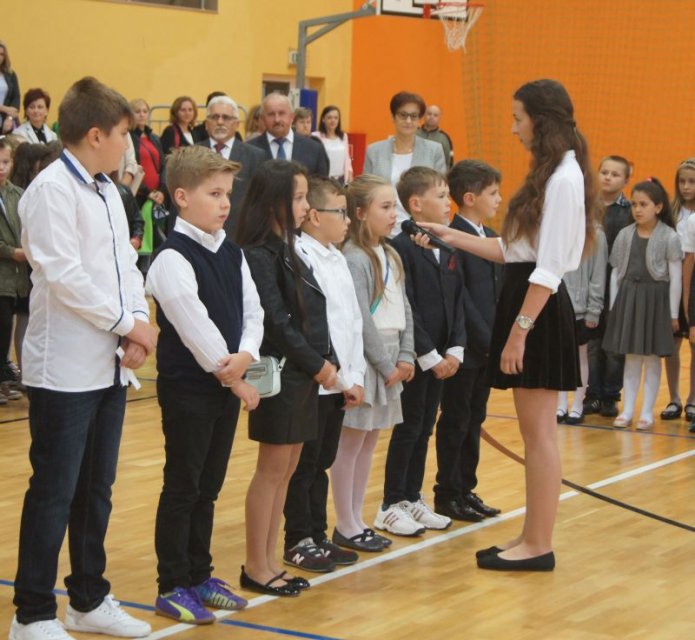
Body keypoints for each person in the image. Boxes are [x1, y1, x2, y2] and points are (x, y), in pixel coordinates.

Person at [414, 79, 596, 572]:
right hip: (528, 304)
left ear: (541, 119)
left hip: (537, 311)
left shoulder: (564, 178)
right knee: (535, 436)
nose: (514, 128)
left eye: (518, 118)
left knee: (539, 437)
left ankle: (538, 545)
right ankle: (531, 535)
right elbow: (512, 250)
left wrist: (519, 332)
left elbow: (548, 268)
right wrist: (450, 234)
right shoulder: (551, 173)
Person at [10, 76, 156, 640]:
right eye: (122, 134)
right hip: (64, 369)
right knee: (55, 490)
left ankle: (88, 599)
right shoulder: (51, 190)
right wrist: (128, 324)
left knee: (97, 489)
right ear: (95, 135)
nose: (127, 145)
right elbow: (63, 276)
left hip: (109, 364)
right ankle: (31, 613)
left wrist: (137, 322)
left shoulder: (108, 191)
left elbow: (126, 266)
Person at [146, 146, 263, 623]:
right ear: (181, 196)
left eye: (227, 194)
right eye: (214, 194)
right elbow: (196, 328)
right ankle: (172, 583)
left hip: (224, 384)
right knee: (184, 484)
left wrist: (247, 355)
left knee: (208, 487)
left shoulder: (231, 251)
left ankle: (199, 575)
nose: (225, 203)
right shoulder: (171, 258)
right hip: (190, 390)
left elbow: (253, 311)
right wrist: (235, 378)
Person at [236, 160, 337, 597]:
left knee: (288, 469)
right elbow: (276, 322)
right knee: (272, 470)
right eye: (296, 198)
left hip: (302, 374)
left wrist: (324, 361)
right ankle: (255, 565)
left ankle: (270, 560)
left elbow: (311, 312)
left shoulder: (287, 247)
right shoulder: (258, 252)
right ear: (272, 200)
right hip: (280, 373)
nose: (304, 206)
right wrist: (317, 364)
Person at [282, 176, 366, 573]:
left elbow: (352, 322)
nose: (348, 221)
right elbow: (312, 325)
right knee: (304, 464)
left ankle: (317, 534)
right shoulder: (299, 257)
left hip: (339, 381)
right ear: (314, 216)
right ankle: (297, 538)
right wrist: (327, 372)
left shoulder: (338, 258)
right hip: (314, 380)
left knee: (322, 461)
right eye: (341, 213)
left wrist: (354, 376)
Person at [375, 166, 463, 536]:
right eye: (440, 196)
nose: (448, 203)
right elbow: (408, 306)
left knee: (425, 427)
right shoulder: (401, 248)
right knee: (408, 428)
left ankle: (412, 496)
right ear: (416, 204)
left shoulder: (446, 244)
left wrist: (456, 348)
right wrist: (428, 355)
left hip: (443, 355)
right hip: (418, 356)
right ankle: (391, 502)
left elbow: (457, 299)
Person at [331, 174, 415, 552]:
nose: (394, 214)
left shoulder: (390, 253)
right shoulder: (354, 257)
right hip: (368, 361)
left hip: (391, 357)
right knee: (350, 445)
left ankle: (358, 518)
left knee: (369, 444)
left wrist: (406, 354)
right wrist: (384, 364)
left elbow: (405, 308)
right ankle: (345, 523)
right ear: (361, 212)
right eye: (386, 207)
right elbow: (361, 318)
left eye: (395, 206)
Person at [433, 160, 503, 523]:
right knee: (456, 419)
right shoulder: (453, 237)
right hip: (466, 347)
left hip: (487, 346)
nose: (499, 199)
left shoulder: (489, 234)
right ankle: (447, 493)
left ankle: (465, 487)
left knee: (476, 417)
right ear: (470, 197)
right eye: (493, 193)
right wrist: (485, 339)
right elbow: (461, 298)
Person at [602, 178, 682, 430]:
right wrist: (614, 306)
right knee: (632, 358)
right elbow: (616, 273)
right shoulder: (625, 235)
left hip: (656, 302)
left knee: (652, 359)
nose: (637, 209)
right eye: (634, 204)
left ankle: (647, 412)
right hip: (629, 299)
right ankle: (627, 411)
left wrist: (672, 313)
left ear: (658, 207)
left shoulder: (669, 237)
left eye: (644, 204)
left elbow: (676, 277)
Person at [584, 155, 632, 418]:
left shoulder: (630, 211)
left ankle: (611, 396)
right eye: (604, 172)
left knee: (614, 346)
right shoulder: (588, 206)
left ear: (626, 180)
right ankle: (592, 394)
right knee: (592, 343)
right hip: (590, 283)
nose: (608, 177)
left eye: (615, 174)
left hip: (617, 285)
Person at [363, 91, 446, 235]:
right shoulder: (374, 151)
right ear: (393, 117)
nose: (408, 121)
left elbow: (441, 194)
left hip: (423, 232)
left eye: (413, 116)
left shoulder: (434, 151)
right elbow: (366, 193)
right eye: (403, 115)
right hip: (383, 232)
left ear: (419, 119)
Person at [556, 226, 608, 424]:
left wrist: (594, 309)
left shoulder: (596, 235)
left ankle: (577, 405)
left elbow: (598, 275)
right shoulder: (558, 229)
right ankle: (561, 404)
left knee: (581, 356)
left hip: (581, 308)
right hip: (557, 304)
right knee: (560, 355)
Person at [196, 95, 265, 237]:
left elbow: (260, 200)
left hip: (240, 234)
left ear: (236, 124)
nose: (220, 122)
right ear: (206, 124)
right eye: (214, 117)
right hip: (200, 233)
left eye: (226, 117)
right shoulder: (192, 154)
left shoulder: (255, 156)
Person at [661, 158, 695, 423]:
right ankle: (674, 398)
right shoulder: (670, 213)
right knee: (672, 345)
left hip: (692, 285)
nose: (686, 187)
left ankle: (693, 400)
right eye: (682, 181)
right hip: (672, 285)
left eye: (692, 182)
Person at [0, 136, 29, 403]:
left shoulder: (18, 194)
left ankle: (9, 379)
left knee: (12, 328)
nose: (1, 167)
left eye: (5, 162)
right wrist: (12, 252)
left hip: (18, 277)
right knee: (2, 328)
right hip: (3, 274)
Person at [247, 93, 329, 177]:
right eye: (271, 114)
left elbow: (321, 183)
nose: (277, 120)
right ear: (262, 118)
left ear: (292, 117)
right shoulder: (249, 150)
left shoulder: (314, 149)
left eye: (282, 113)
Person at [129, 98, 165, 208]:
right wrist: (147, 192)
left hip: (157, 193)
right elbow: (131, 166)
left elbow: (163, 166)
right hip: (139, 193)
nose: (142, 114)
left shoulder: (154, 138)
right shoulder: (129, 138)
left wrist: (162, 190)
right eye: (137, 111)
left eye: (145, 111)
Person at [313, 105, 353, 185]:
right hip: (324, 180)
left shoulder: (343, 136)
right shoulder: (316, 136)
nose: (333, 120)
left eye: (336, 118)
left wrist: (350, 174)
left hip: (341, 179)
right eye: (329, 118)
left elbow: (347, 158)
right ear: (323, 119)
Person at [0, 40, 19, 134]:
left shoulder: (10, 74)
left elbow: (16, 98)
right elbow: (9, 109)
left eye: (1, 54)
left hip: (5, 122)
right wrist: (6, 109)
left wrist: (10, 118)